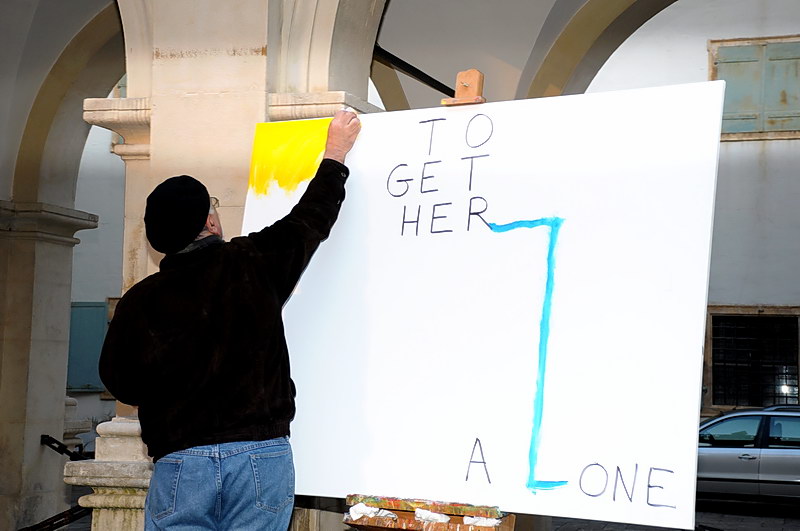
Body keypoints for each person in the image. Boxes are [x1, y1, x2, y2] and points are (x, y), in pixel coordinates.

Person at [99, 110, 361, 530]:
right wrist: (335, 155)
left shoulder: (139, 301)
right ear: (209, 221)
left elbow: (121, 383)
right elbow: (310, 218)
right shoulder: (252, 263)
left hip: (180, 461)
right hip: (259, 456)